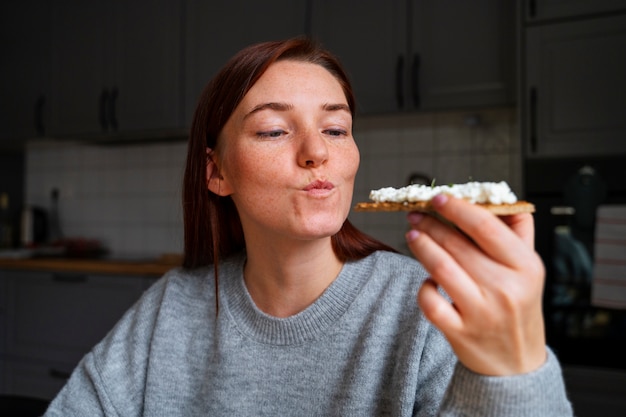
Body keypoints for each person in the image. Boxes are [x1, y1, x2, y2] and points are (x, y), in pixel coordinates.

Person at [44, 37, 573, 416]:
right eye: (274, 130)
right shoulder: (173, 307)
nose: (317, 151)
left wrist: (515, 375)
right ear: (216, 171)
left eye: (336, 129)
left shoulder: (429, 308)